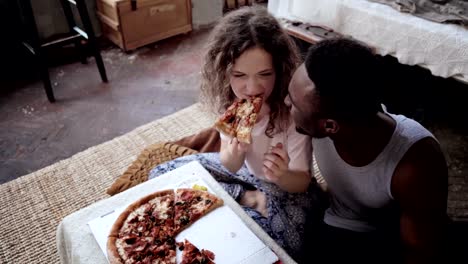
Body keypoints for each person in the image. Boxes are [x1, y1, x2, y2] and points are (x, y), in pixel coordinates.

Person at [149, 6, 322, 261]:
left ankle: (248, 201)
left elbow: (302, 182)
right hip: (244, 175)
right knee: (161, 174)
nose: (252, 88)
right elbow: (230, 165)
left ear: (280, 70)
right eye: (239, 75)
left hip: (288, 189)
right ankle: (246, 197)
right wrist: (232, 152)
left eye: (265, 75)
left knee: (274, 246)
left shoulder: (290, 113)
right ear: (224, 73)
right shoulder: (230, 104)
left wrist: (283, 174)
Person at [286, 38, 448, 263]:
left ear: (330, 126)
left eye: (293, 103)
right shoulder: (323, 118)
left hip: (385, 239)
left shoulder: (415, 165)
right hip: (334, 220)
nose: (285, 102)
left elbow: (418, 251)